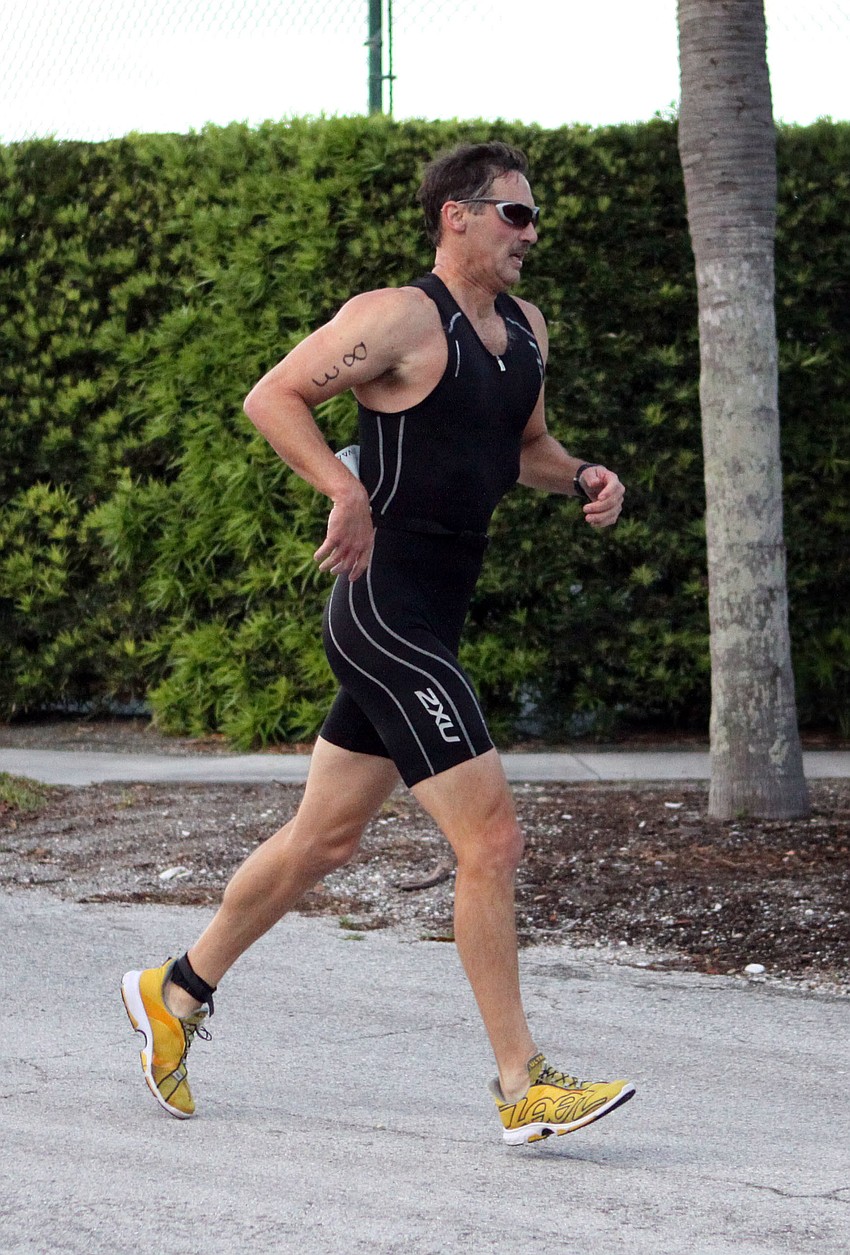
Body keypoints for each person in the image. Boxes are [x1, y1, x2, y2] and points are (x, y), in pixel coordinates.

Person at [121, 141, 634, 1145]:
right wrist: (343, 489)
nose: (532, 233)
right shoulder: (398, 317)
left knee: (324, 838)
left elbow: (521, 450)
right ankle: (522, 1083)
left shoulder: (526, 332)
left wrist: (580, 476)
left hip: (434, 613)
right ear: (457, 215)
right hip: (383, 611)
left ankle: (174, 991)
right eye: (516, 214)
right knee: (490, 839)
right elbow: (271, 396)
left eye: (534, 217)